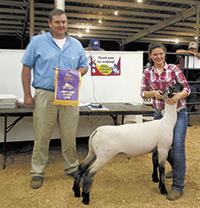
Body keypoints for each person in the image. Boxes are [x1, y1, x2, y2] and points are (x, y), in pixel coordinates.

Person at [21, 9, 89, 189]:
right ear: (50, 23)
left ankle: (72, 167)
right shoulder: (37, 42)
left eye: (64, 22)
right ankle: (37, 172)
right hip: (45, 94)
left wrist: (76, 73)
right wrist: (27, 94)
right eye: (57, 22)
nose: (61, 25)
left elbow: (84, 66)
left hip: (69, 94)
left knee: (69, 135)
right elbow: (26, 68)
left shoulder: (75, 44)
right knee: (42, 136)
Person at [140, 42, 190, 201]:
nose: (158, 57)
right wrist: (153, 93)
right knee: (162, 148)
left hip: (179, 112)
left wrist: (177, 97)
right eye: (155, 54)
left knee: (177, 145)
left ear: (165, 54)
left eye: (161, 53)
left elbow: (186, 89)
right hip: (160, 114)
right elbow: (143, 93)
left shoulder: (174, 69)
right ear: (150, 56)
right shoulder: (147, 72)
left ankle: (178, 186)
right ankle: (178, 168)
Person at [176, 42, 199, 126]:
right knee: (183, 103)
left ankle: (186, 121)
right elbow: (177, 51)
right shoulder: (184, 57)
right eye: (190, 49)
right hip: (184, 84)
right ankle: (181, 121)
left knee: (190, 104)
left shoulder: (198, 58)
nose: (192, 50)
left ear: (196, 48)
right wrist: (190, 53)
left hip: (194, 84)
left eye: (194, 49)